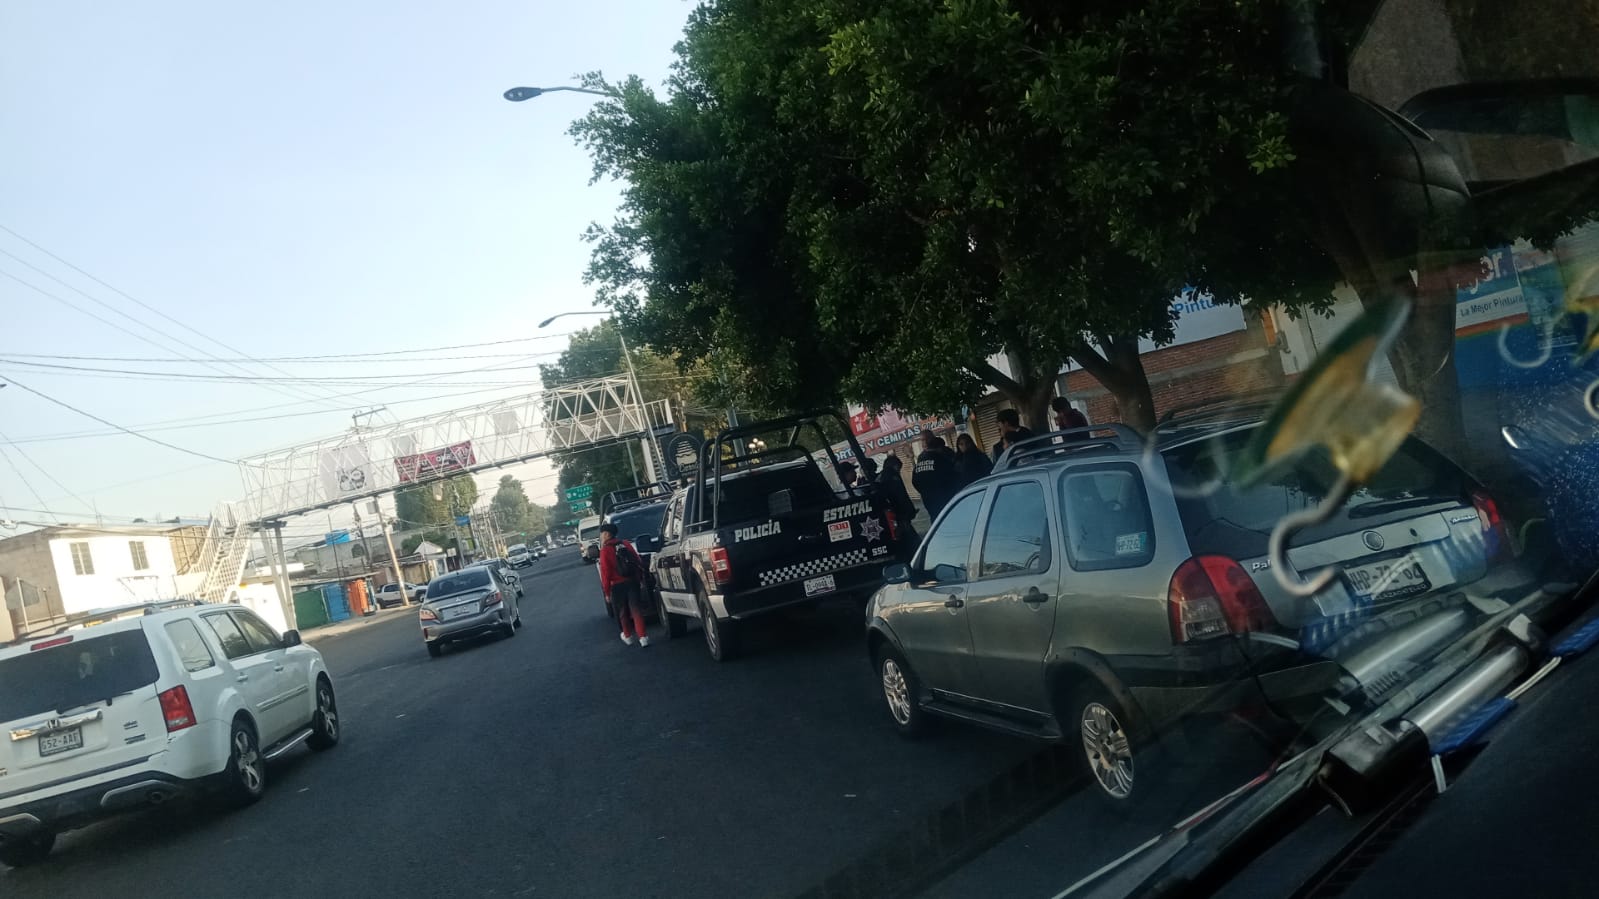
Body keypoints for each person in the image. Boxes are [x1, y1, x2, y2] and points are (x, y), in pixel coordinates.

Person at [598, 522, 650, 647]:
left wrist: (607, 591)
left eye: (602, 534)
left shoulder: (605, 550)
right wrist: (640, 579)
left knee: (623, 612)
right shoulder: (625, 544)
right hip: (632, 581)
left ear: (606, 534)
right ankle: (643, 637)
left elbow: (606, 572)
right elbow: (637, 560)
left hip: (617, 585)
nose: (601, 537)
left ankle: (627, 636)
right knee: (636, 609)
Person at [876, 455, 921, 560]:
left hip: (891, 516)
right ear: (895, 466)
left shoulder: (880, 477)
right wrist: (909, 512)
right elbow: (901, 497)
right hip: (900, 516)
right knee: (912, 542)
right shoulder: (892, 477)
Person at [911, 432, 961, 519]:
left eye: (927, 439)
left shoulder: (946, 453)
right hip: (940, 499)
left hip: (937, 499)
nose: (925, 442)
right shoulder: (922, 457)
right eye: (923, 440)